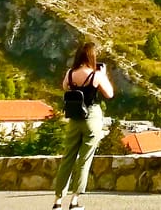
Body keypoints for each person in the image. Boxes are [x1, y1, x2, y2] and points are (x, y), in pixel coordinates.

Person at [52, 41, 114, 210]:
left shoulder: (70, 74)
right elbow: (109, 94)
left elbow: (65, 88)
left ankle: (58, 200)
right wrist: (104, 75)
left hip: (74, 119)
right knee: (84, 160)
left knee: (68, 158)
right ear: (92, 57)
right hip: (91, 117)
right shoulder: (96, 75)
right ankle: (74, 200)